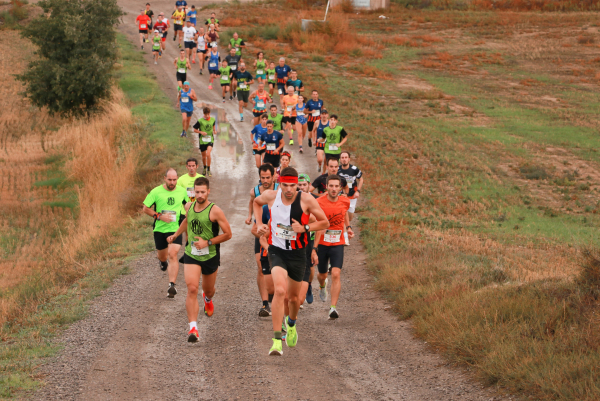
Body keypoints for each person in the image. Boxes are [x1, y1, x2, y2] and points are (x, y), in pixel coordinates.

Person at [253, 167, 329, 356]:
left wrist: (304, 227)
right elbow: (255, 202)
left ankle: (292, 323)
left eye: (293, 186)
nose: (288, 189)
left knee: (293, 299)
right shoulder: (271, 196)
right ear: (280, 183)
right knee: (279, 291)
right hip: (277, 251)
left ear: (298, 184)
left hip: (297, 254)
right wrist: (260, 223)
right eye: (285, 185)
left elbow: (325, 222)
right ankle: (277, 340)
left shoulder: (306, 199)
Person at [167, 177, 232, 342]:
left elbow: (228, 234)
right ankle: (193, 329)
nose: (200, 195)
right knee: (192, 289)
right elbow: (186, 221)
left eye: (203, 192)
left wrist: (208, 242)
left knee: (208, 290)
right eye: (197, 192)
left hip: (210, 255)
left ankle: (208, 298)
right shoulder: (189, 206)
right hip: (192, 254)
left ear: (208, 191)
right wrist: (175, 234)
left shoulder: (215, 210)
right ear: (193, 192)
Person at [142, 168, 190, 298]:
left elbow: (188, 204)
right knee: (163, 256)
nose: (172, 182)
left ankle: (171, 285)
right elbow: (145, 208)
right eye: (170, 180)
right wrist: (158, 216)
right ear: (165, 178)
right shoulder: (156, 191)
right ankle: (163, 262)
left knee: (173, 254)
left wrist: (188, 210)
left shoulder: (181, 191)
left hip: (176, 228)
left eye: (174, 180)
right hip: (160, 229)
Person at [311, 175, 353, 319]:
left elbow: (344, 212)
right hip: (322, 243)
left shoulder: (345, 201)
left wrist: (348, 227)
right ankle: (322, 285)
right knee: (322, 275)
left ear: (340, 188)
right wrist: (314, 248)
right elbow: (316, 224)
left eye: (336, 186)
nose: (334, 189)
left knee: (336, 273)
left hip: (337, 243)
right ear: (326, 187)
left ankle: (333, 308)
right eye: (331, 186)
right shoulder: (319, 202)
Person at [245, 164, 279, 316]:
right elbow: (253, 202)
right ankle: (265, 304)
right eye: (262, 178)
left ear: (274, 177)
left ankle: (278, 294)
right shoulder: (255, 191)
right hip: (261, 231)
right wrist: (250, 217)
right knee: (260, 267)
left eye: (268, 177)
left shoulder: (280, 189)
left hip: (278, 234)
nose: (265, 180)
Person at [297, 174, 318, 306]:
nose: (302, 187)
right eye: (299, 185)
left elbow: (321, 223)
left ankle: (309, 285)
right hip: (297, 238)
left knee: (310, 267)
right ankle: (298, 291)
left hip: (310, 238)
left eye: (304, 184)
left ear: (309, 185)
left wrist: (315, 248)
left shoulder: (315, 200)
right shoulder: (293, 199)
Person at [338, 151, 363, 243]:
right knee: (343, 215)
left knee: (350, 217)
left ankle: (346, 228)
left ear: (349, 159)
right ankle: (344, 237)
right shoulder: (337, 169)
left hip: (352, 196)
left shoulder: (354, 169)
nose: (344, 159)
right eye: (342, 158)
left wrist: (358, 191)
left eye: (345, 157)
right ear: (340, 159)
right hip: (341, 196)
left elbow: (361, 179)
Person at [193, 107, 217, 176]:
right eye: (206, 114)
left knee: (208, 154)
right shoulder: (200, 121)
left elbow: (213, 125)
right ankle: (204, 168)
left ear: (209, 113)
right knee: (203, 156)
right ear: (203, 114)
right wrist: (201, 132)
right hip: (202, 140)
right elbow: (194, 129)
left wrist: (214, 130)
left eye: (208, 114)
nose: (207, 116)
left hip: (210, 139)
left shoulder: (213, 119)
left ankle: (209, 169)